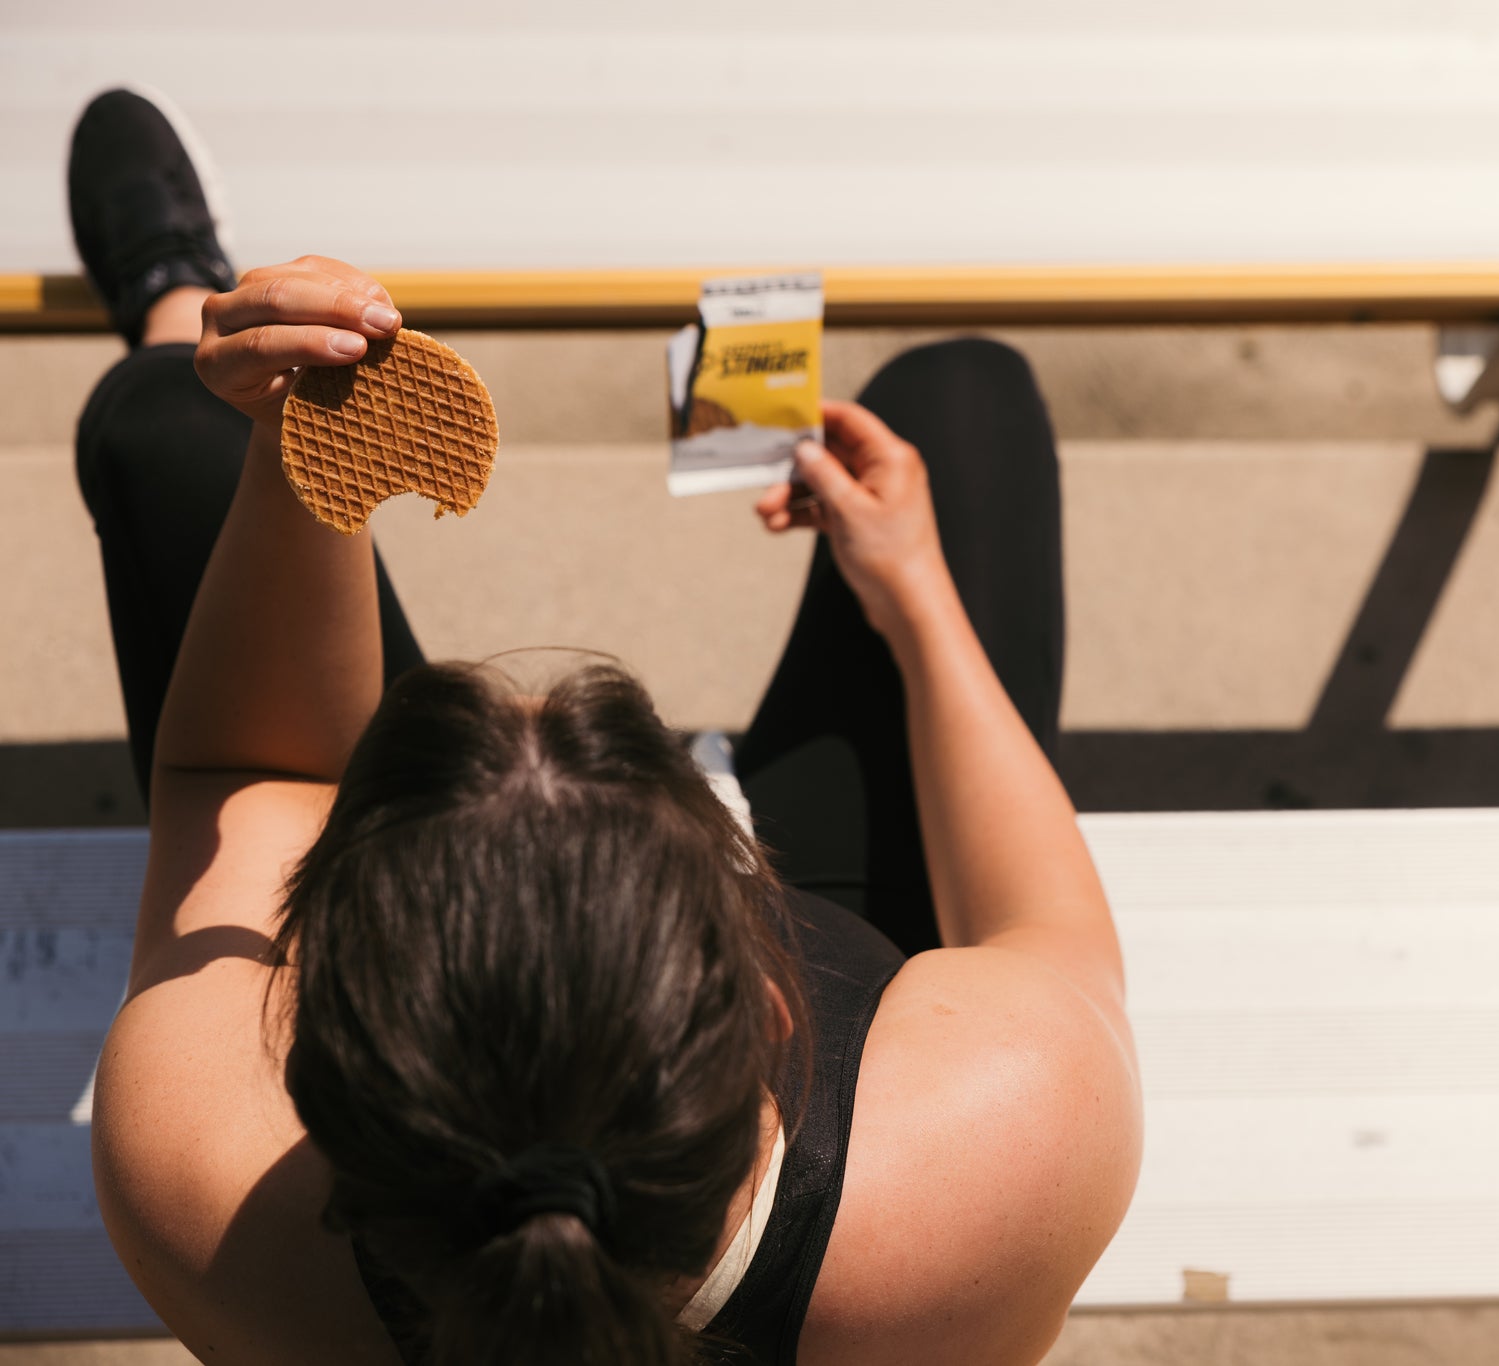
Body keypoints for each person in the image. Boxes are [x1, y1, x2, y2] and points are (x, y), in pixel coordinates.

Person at [73, 89, 1141, 1366]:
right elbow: (1047, 929)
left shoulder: (204, 1173)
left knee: (157, 413)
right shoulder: (982, 1159)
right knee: (962, 397)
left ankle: (165, 299)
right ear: (770, 999)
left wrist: (303, 458)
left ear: (322, 1048)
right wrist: (914, 592)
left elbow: (250, 766)